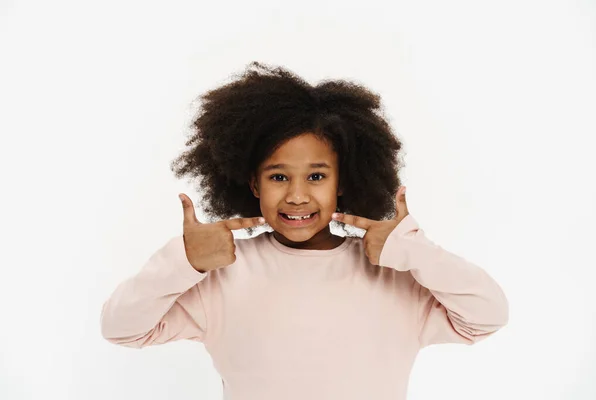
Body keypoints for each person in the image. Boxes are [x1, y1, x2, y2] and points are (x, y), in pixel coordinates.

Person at [100, 61, 509, 400]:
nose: (297, 196)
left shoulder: (395, 275)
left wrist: (416, 252)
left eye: (316, 176)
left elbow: (487, 316)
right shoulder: (225, 276)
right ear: (253, 184)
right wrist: (183, 263)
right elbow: (122, 329)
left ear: (343, 182)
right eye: (278, 177)